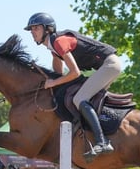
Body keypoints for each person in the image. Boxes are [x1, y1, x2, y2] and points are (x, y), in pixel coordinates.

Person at [25, 12, 122, 157]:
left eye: (36, 28)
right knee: (86, 102)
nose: (32, 32)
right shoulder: (53, 48)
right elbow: (58, 72)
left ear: (48, 29)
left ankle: (103, 142)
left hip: (110, 64)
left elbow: (74, 73)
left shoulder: (59, 42)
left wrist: (52, 83)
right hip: (107, 65)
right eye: (31, 29)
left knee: (79, 99)